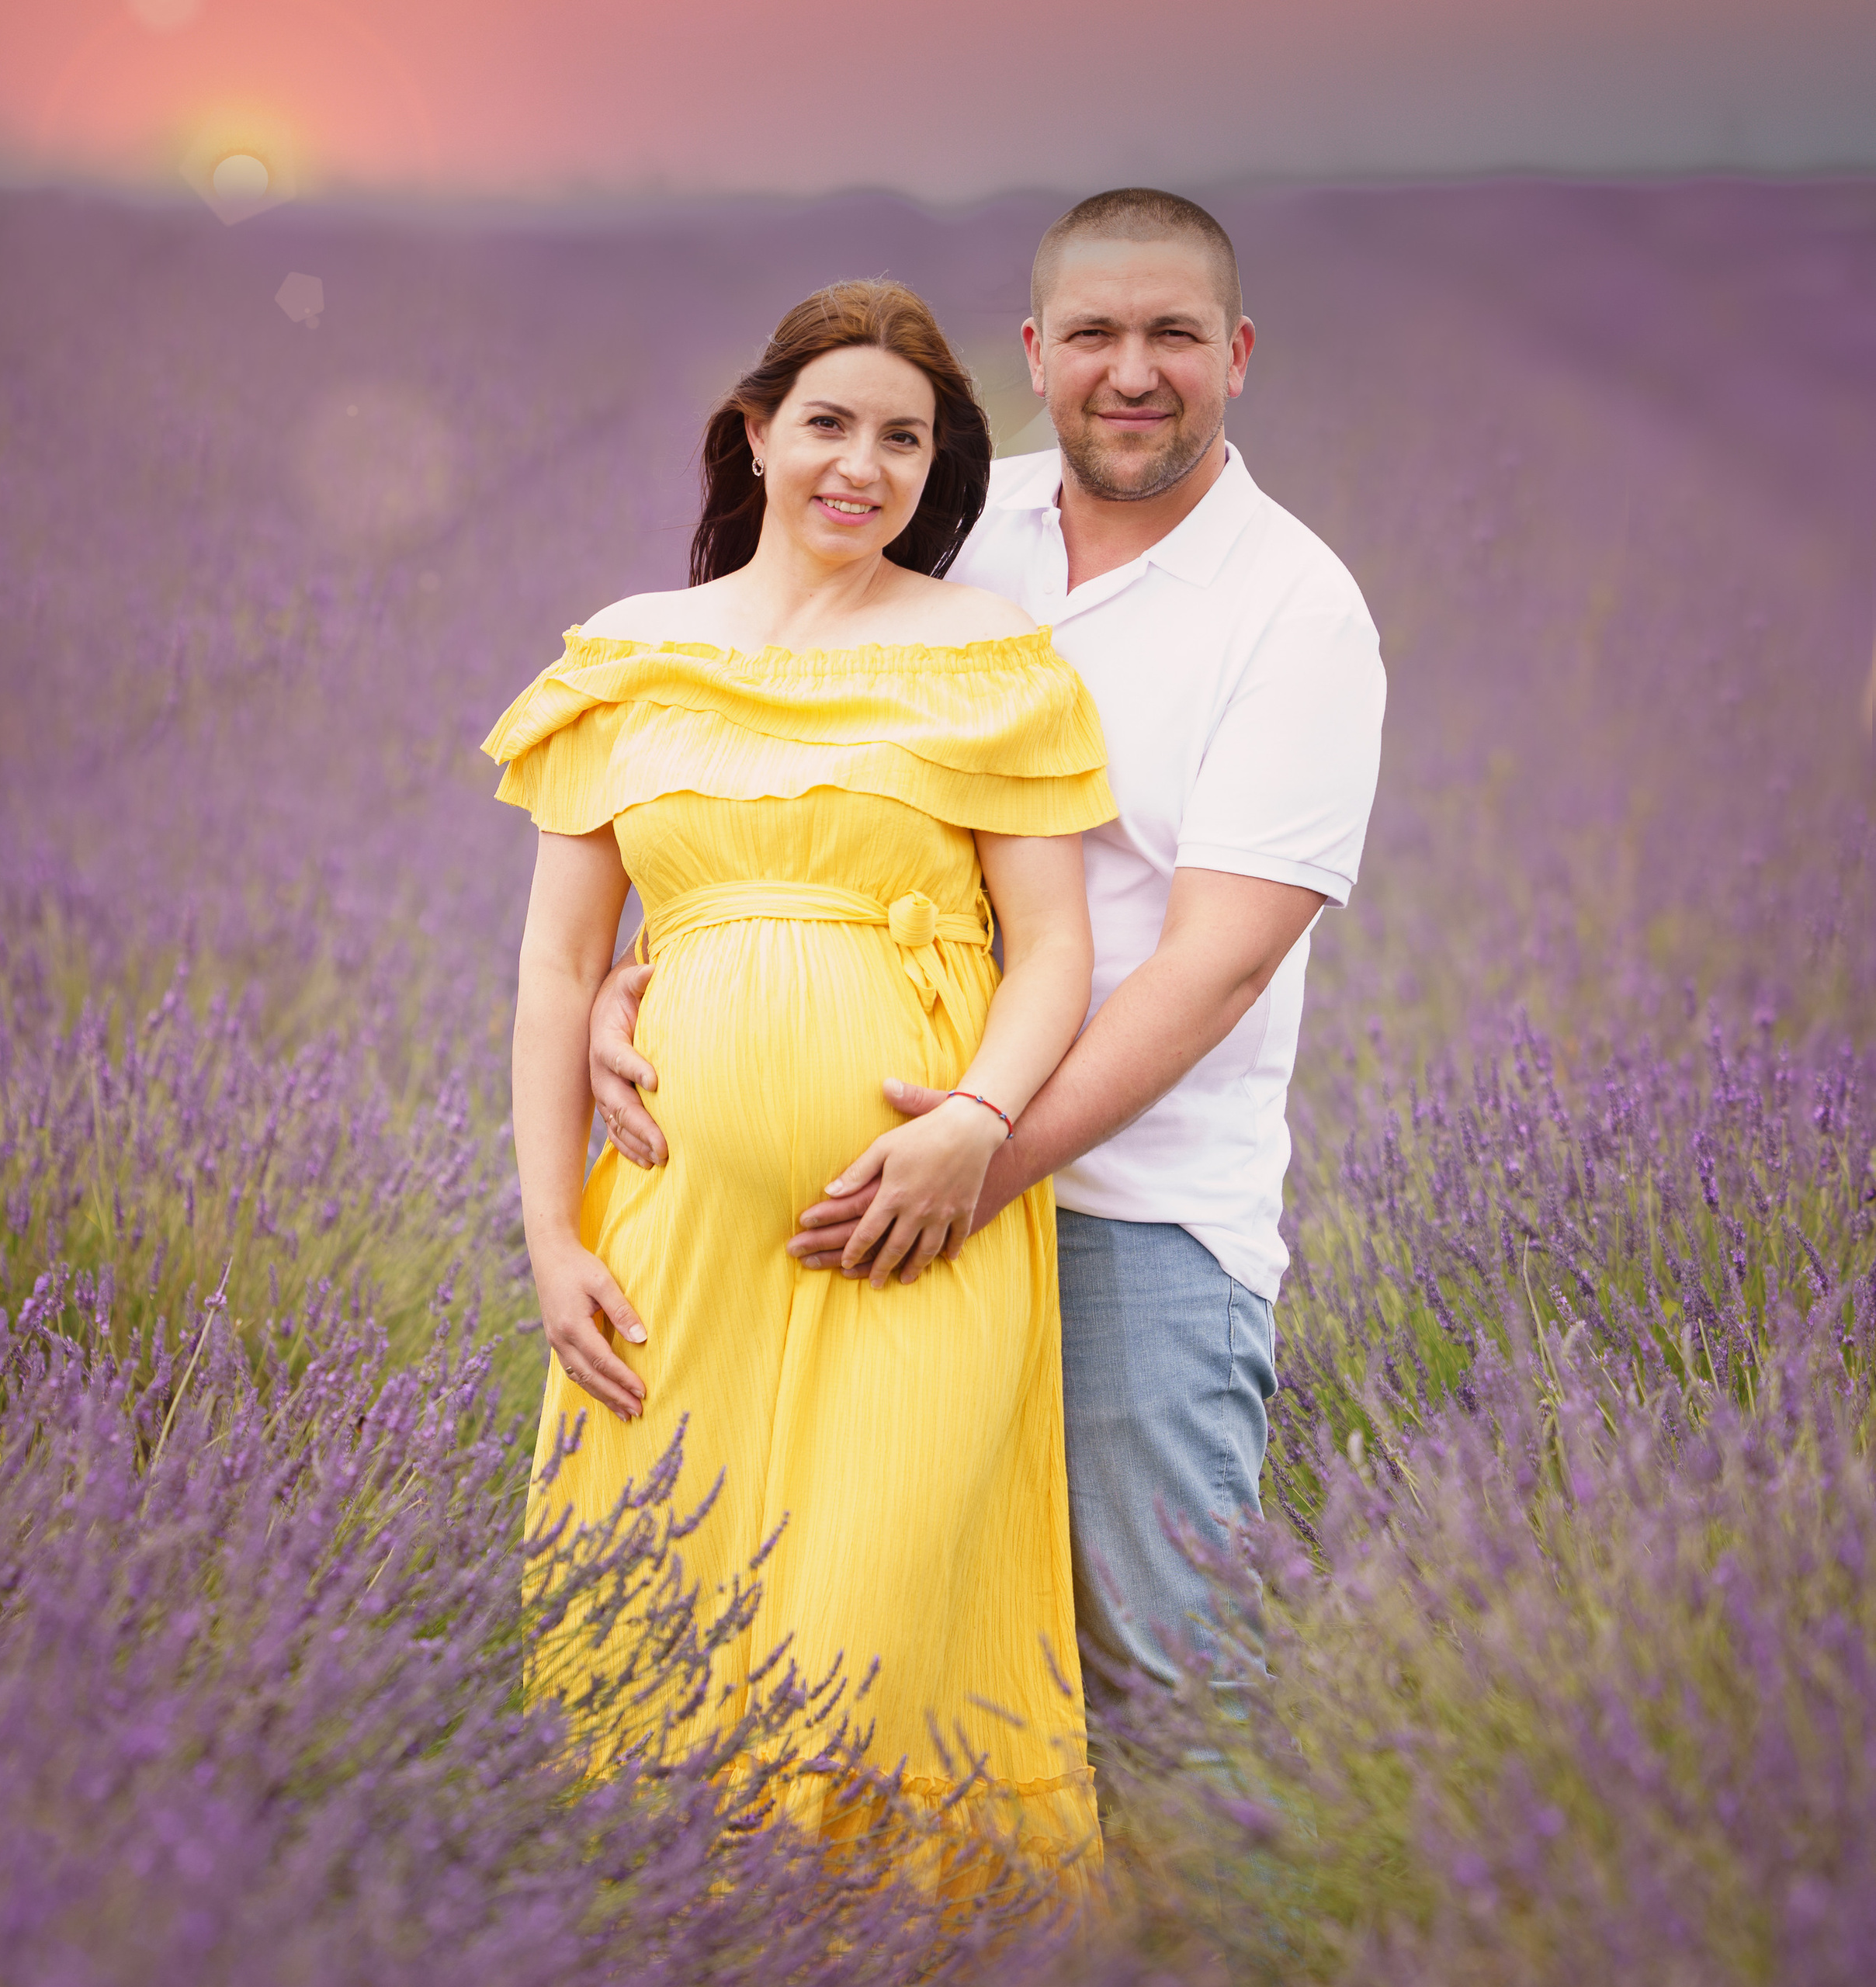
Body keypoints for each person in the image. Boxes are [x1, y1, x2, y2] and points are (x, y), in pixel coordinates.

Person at [591, 191, 1386, 1697]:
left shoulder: (1293, 613)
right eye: (1092, 333)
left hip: (1122, 1218)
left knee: (1151, 1677)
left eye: (1173, 334)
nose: (1130, 370)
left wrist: (977, 1150)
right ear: (1035, 349)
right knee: (869, 1665)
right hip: (857, 1214)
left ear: (1239, 352)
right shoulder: (950, 524)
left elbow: (1213, 964)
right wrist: (643, 974)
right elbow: (754, 757)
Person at [485, 279, 1114, 1862]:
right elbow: (561, 966)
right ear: (757, 433)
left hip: (917, 1230)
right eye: (829, 423)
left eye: (904, 438)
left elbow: (1048, 948)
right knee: (654, 1641)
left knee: (869, 1655)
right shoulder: (631, 652)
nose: (864, 463)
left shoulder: (986, 651)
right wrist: (551, 1238)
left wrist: (975, 1123)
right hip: (668, 1236)